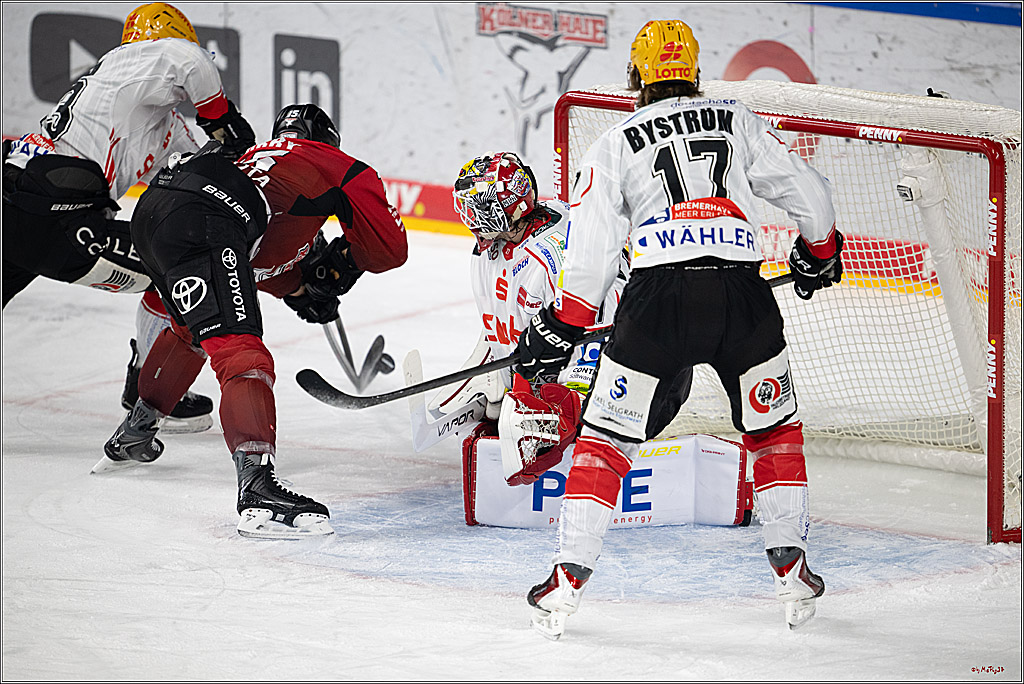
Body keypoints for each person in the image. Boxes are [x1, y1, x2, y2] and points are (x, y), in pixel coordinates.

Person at [515, 19, 842, 637]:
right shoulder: (737, 118)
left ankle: (564, 582)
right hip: (742, 294)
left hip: (657, 300)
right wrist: (819, 252)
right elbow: (809, 192)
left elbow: (589, 256)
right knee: (773, 431)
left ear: (636, 77)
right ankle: (793, 572)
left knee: (606, 440)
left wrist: (562, 326)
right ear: (693, 74)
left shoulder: (613, 142)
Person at [96, 103, 408, 540]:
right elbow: (388, 250)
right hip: (206, 221)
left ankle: (137, 429)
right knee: (242, 354)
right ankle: (258, 490)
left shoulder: (255, 160)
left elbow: (257, 255)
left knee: (193, 328)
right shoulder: (338, 164)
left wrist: (300, 287)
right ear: (328, 139)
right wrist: (343, 262)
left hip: (155, 213)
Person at [2, 2, 257, 432]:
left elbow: (191, 177)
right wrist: (223, 118)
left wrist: (227, 160)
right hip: (54, 215)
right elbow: (189, 61)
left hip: (22, 202)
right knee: (180, 264)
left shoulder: (149, 110)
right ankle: (146, 384)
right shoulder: (141, 58)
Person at [441, 152, 626, 488]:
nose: (470, 218)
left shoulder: (555, 257)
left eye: (478, 209)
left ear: (505, 209)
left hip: (607, 383)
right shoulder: (495, 248)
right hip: (539, 372)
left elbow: (596, 340)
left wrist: (564, 409)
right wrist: (501, 374)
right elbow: (500, 322)